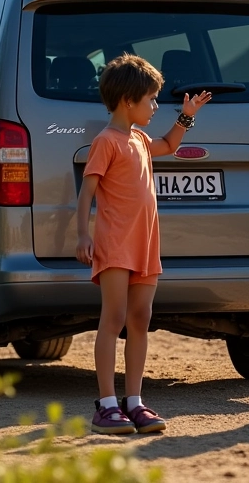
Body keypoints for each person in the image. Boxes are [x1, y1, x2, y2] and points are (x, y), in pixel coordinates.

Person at [76, 53, 211, 434]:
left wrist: (187, 115)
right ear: (127, 101)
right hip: (115, 243)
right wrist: (83, 234)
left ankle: (133, 401)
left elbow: (168, 144)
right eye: (151, 99)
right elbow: (86, 192)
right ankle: (105, 404)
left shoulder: (137, 137)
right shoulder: (106, 142)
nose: (155, 105)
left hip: (145, 243)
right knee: (114, 318)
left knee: (140, 319)